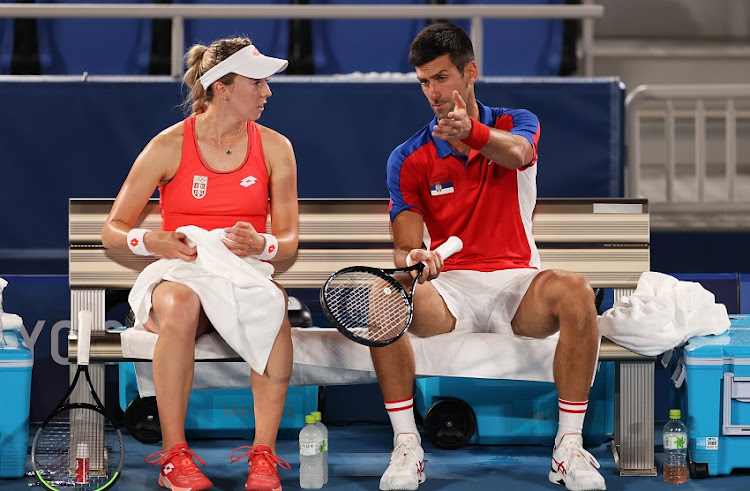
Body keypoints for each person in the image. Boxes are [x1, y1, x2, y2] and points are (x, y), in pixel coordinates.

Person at [374, 22, 606, 491]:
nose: (433, 92)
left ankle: (568, 447)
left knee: (578, 290)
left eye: (441, 78)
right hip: (450, 292)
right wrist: (417, 256)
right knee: (383, 298)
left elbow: (520, 154)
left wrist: (473, 133)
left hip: (519, 286)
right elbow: (404, 246)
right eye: (424, 81)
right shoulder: (408, 157)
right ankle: (406, 445)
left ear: (470, 72)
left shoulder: (516, 122)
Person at [101, 37, 298, 491]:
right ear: (222, 88)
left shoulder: (276, 148)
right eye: (257, 82)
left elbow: (287, 242)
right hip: (180, 276)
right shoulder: (168, 145)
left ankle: (264, 457)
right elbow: (113, 229)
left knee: (275, 302)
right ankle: (174, 457)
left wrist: (261, 243)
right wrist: (153, 239)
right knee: (184, 302)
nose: (268, 92)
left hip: (239, 277)